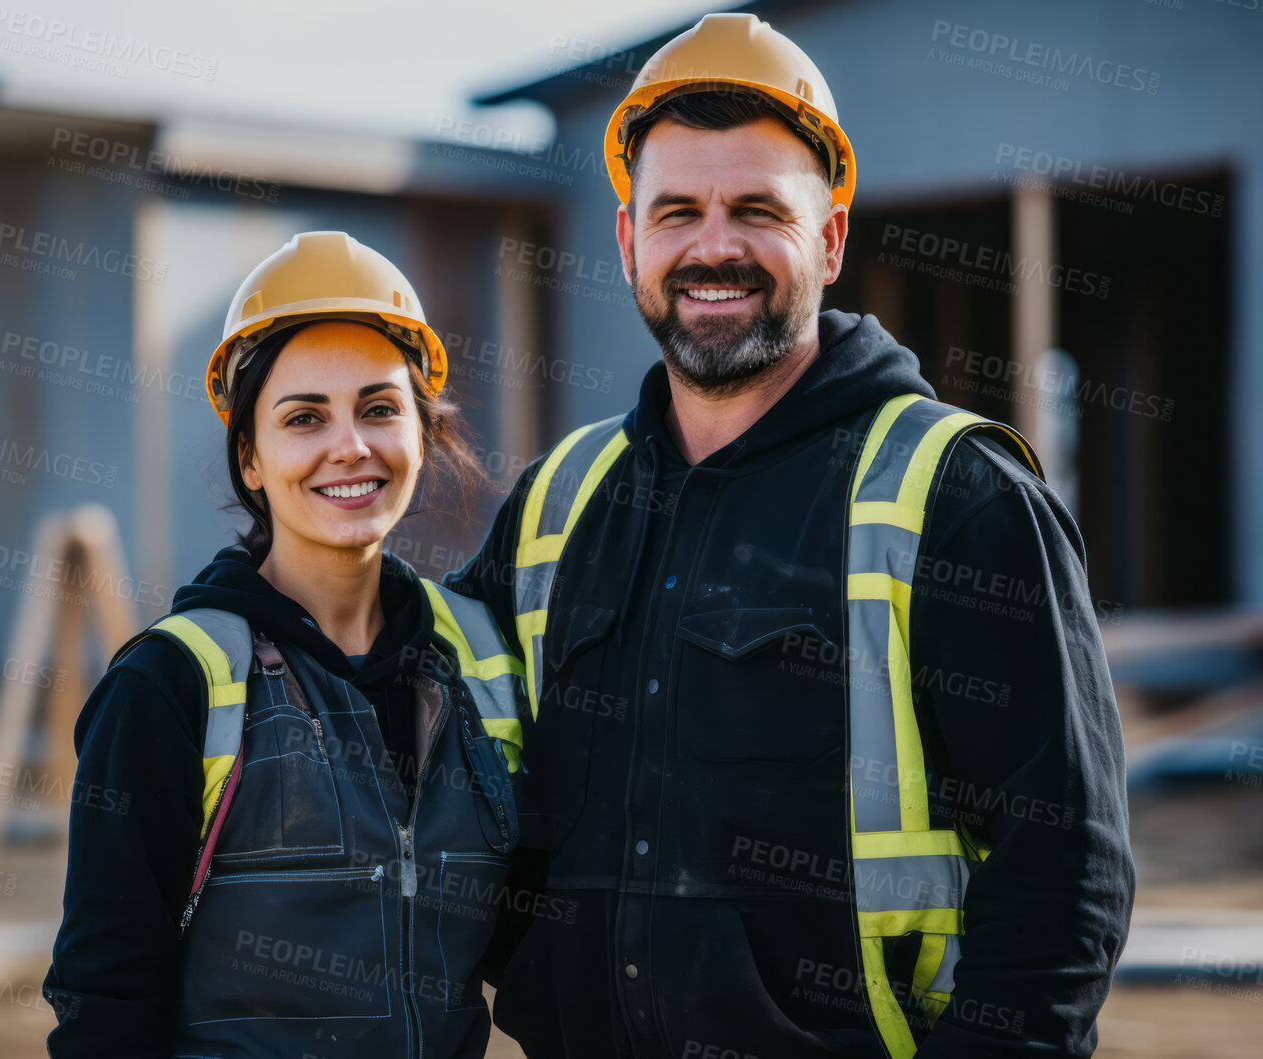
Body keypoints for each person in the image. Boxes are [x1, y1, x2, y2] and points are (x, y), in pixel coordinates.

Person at [447, 13, 1135, 1058]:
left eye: (755, 210)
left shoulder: (955, 495)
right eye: (676, 211)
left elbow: (1062, 869)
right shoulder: (556, 501)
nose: (711, 246)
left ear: (828, 237)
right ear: (629, 239)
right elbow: (417, 730)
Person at [43, 231, 529, 1058]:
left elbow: (537, 939)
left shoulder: (483, 656)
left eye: (379, 407)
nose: (350, 445)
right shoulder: (172, 683)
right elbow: (105, 998)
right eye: (304, 417)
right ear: (251, 457)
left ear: (420, 432)